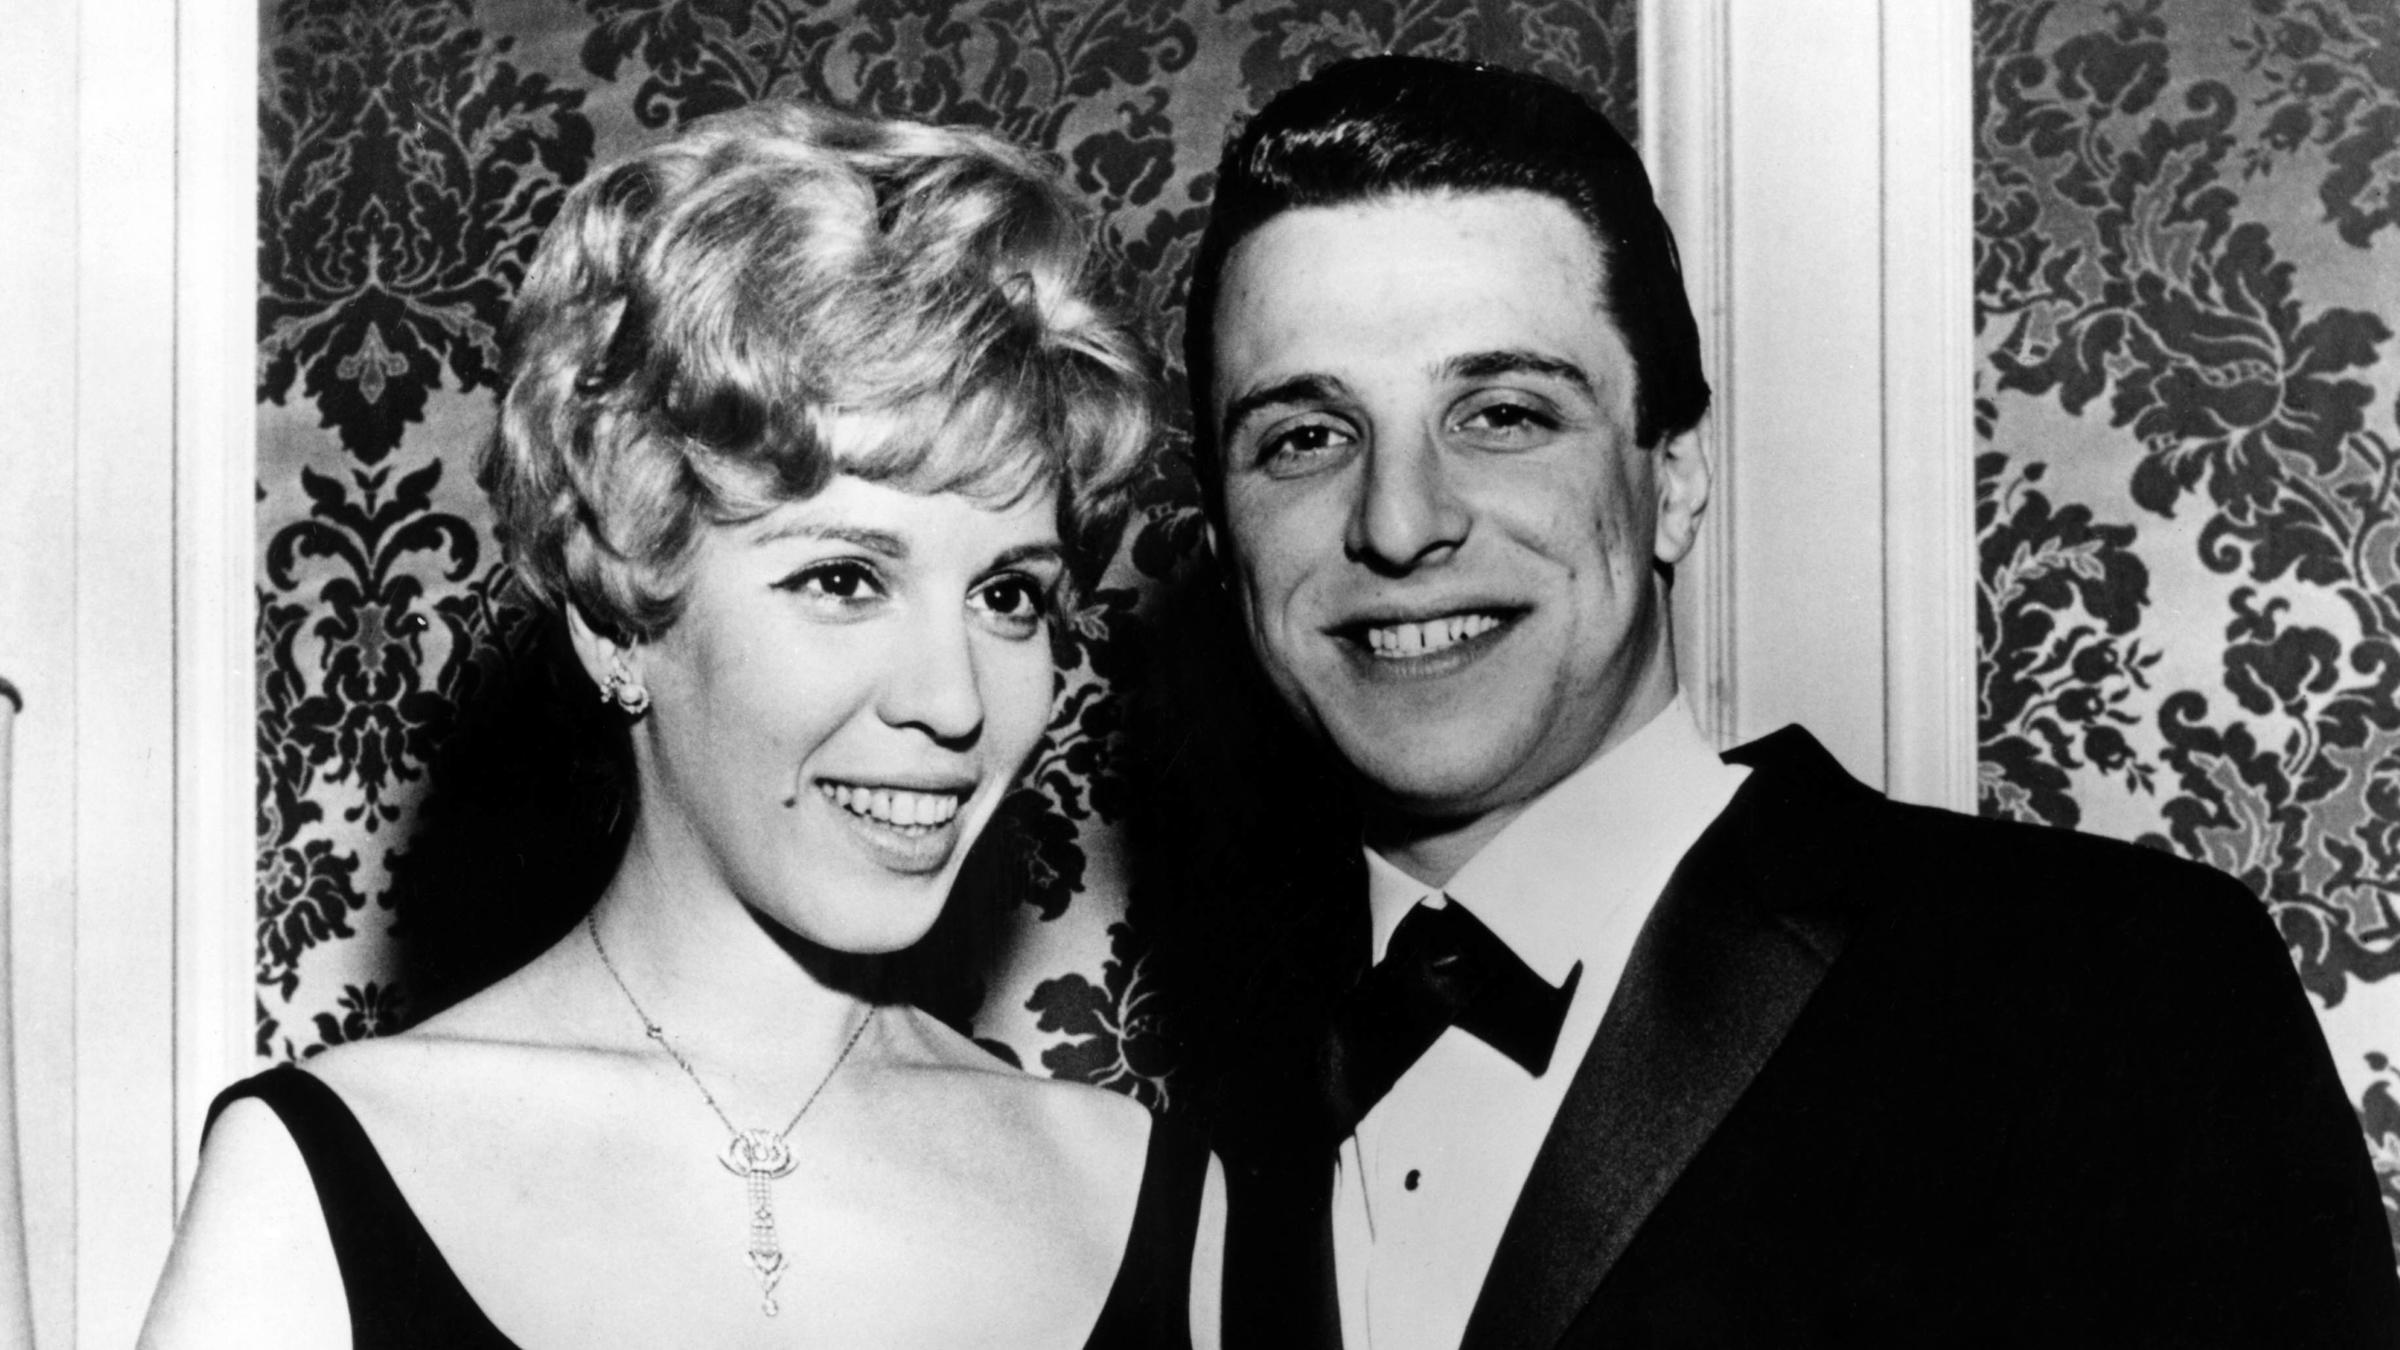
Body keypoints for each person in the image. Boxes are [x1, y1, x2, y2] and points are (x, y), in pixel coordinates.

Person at [1166, 55, 2400, 1348]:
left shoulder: (2115, 990)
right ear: (1224, 534)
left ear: (1674, 478)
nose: (1398, 520)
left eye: (1504, 414)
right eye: (1304, 437)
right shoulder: (1185, 1146)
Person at [143, 101, 1219, 1349]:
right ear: (618, 613)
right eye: (844, 579)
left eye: (1008, 595)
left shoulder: (1148, 1193)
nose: (953, 699)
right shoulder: (320, 1174)